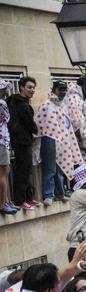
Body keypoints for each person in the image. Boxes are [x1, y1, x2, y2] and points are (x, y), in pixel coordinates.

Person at [8, 75, 39, 210]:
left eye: (33, 88)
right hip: (21, 141)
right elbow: (29, 123)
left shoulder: (22, 102)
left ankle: (28, 198)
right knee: (22, 170)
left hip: (23, 140)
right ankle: (20, 201)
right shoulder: (21, 104)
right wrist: (36, 130)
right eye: (29, 87)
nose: (32, 90)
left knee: (27, 170)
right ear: (21, 88)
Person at [0, 79, 15, 215]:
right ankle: (3, 203)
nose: (6, 91)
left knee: (6, 171)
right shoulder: (2, 103)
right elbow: (7, 118)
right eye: (4, 88)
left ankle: (7, 200)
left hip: (3, 140)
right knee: (3, 173)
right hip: (1, 140)